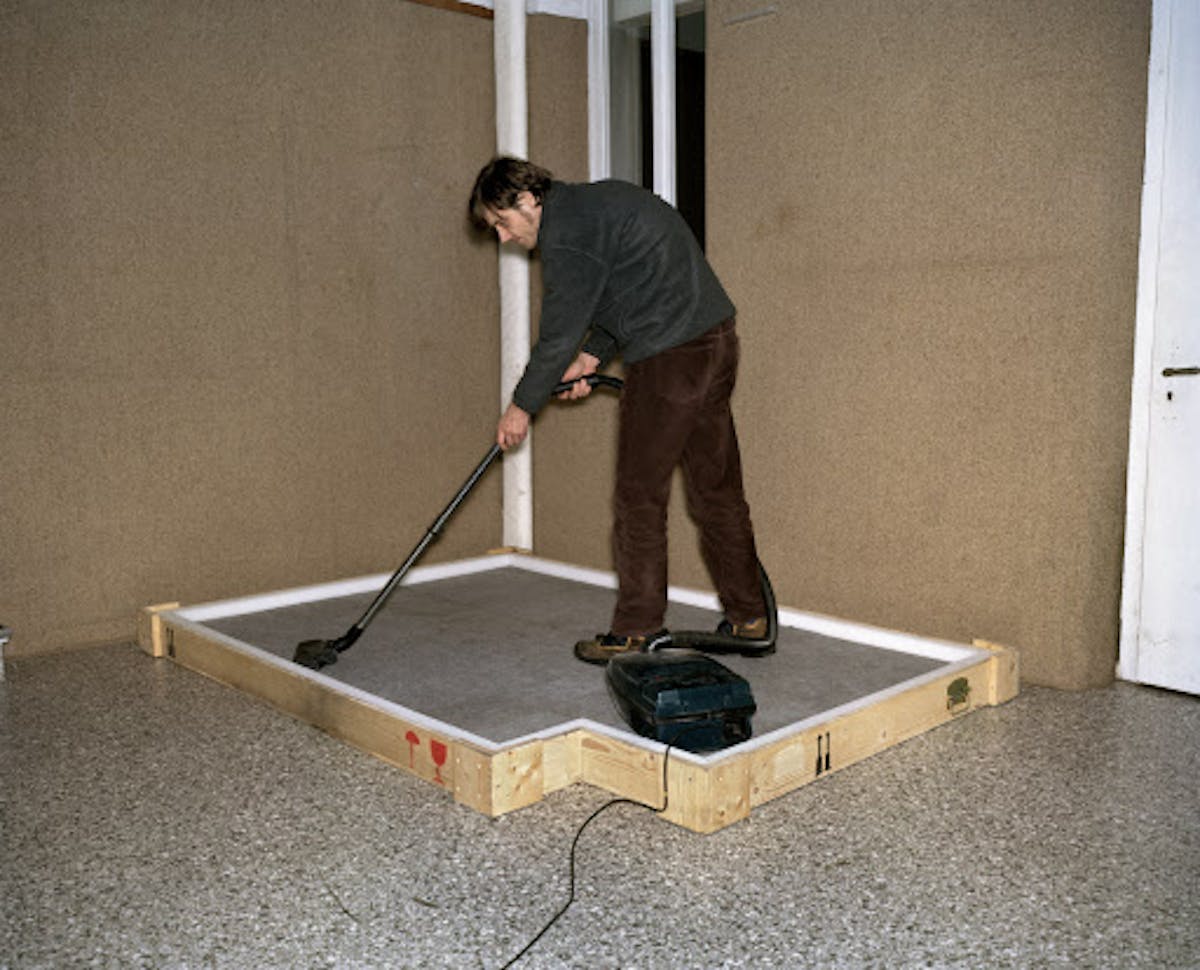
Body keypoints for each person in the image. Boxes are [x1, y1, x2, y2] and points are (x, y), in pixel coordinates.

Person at [468, 156, 766, 663]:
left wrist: (520, 407)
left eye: (502, 221)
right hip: (714, 341)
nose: (503, 236)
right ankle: (749, 618)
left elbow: (557, 334)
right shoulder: (593, 204)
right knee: (716, 490)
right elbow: (625, 287)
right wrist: (591, 357)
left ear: (527, 199)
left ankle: (636, 629)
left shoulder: (566, 235)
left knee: (638, 497)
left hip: (669, 357)